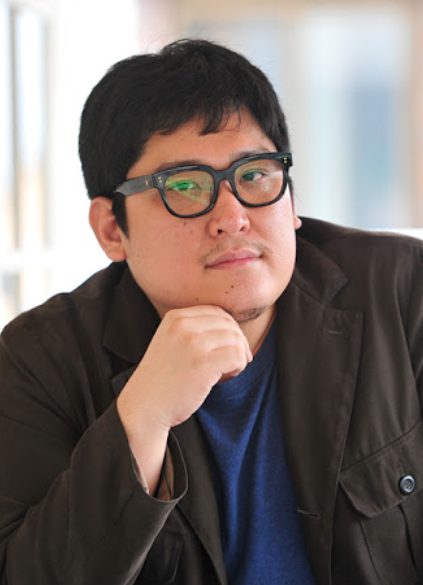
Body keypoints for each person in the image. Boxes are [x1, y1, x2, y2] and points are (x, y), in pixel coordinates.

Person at [0, 38, 422, 585]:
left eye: (255, 175)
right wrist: (142, 419)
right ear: (112, 229)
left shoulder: (403, 292)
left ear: (291, 198)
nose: (232, 216)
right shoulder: (38, 359)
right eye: (183, 185)